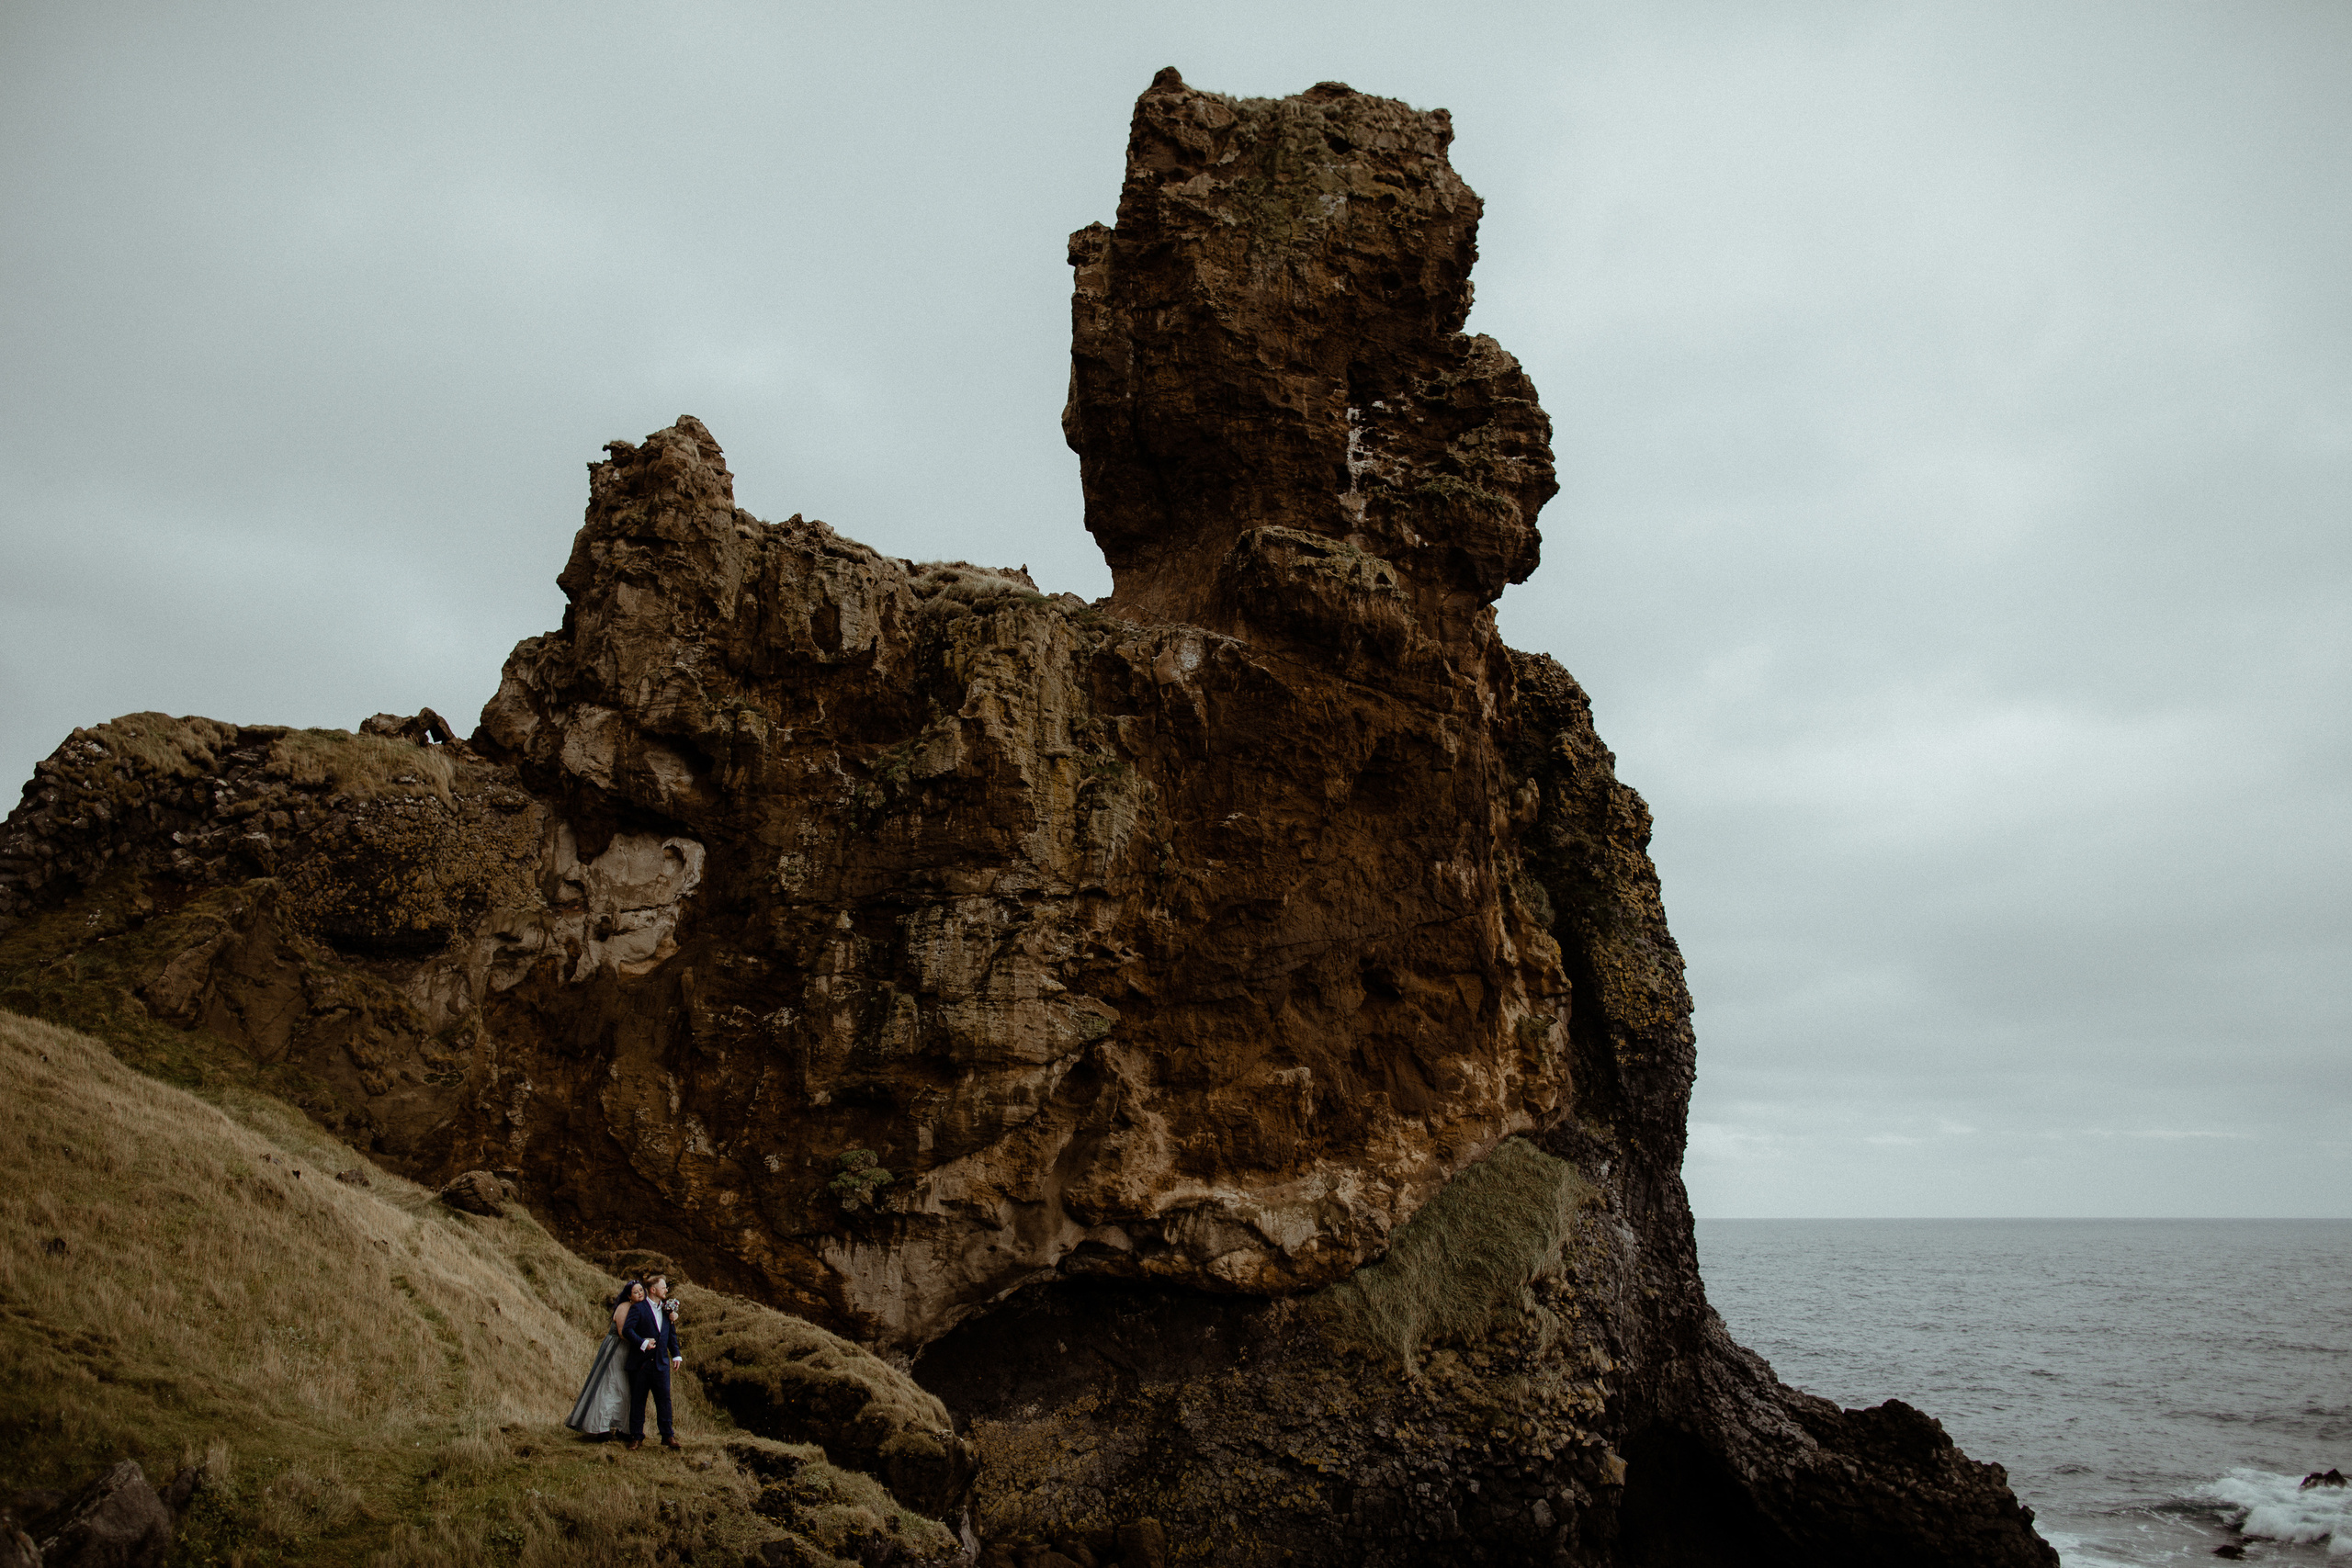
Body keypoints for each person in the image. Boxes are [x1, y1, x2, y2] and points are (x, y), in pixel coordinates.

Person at [564, 1280, 642, 1439]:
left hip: (627, 1350)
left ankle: (622, 1427)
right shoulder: (624, 1307)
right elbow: (622, 1333)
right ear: (629, 1295)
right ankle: (600, 1427)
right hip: (616, 1349)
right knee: (610, 1383)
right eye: (636, 1292)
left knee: (624, 1387)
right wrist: (642, 1342)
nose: (640, 1293)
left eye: (641, 1290)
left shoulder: (640, 1308)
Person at [620, 1274, 684, 1450]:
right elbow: (627, 1330)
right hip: (641, 1365)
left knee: (664, 1400)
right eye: (663, 1287)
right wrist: (643, 1343)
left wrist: (676, 1355)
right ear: (653, 1290)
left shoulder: (667, 1310)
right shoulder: (638, 1308)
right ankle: (636, 1437)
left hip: (661, 1365)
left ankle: (667, 1436)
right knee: (638, 1401)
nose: (666, 1290)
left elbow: (671, 1334)